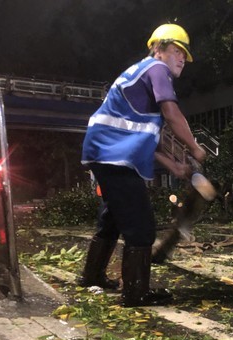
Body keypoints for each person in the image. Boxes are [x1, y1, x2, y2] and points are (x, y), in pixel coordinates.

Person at [79, 23, 206, 307]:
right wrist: (195, 147)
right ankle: (136, 293)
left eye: (184, 54)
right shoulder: (156, 70)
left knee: (112, 218)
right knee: (141, 227)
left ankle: (92, 276)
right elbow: (171, 113)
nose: (182, 58)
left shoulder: (140, 74)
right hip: (113, 155)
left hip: (107, 152)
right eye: (176, 51)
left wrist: (174, 167)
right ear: (158, 49)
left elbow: (148, 138)